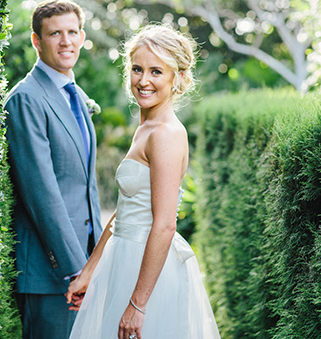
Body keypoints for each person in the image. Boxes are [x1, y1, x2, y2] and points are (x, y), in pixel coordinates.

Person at [65, 24, 220, 339]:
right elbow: (125, 209)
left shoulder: (165, 134)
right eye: (137, 69)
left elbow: (164, 225)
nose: (144, 80)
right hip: (122, 259)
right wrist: (90, 271)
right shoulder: (145, 128)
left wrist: (138, 304)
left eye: (156, 72)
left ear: (177, 78)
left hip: (148, 273)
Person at [4, 0, 103, 339]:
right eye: (55, 34)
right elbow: (41, 193)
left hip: (86, 262)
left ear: (82, 36)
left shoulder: (73, 94)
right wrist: (77, 270)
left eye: (73, 32)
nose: (66, 41)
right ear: (36, 41)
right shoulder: (27, 99)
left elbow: (84, 186)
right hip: (54, 272)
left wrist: (96, 264)